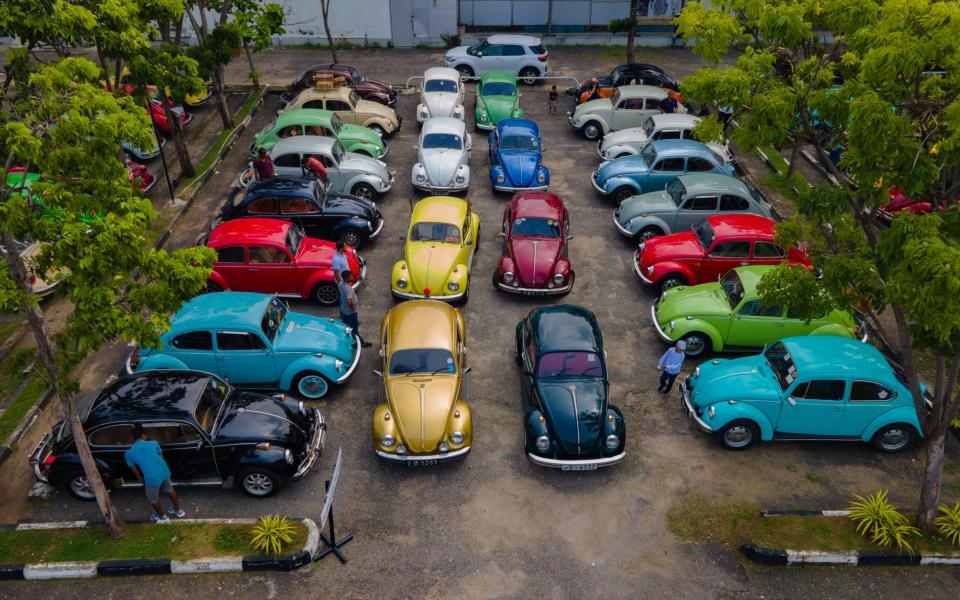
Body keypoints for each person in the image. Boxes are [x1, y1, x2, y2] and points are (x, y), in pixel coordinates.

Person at [124, 425, 185, 522]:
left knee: (152, 498)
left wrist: (142, 482)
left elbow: (135, 471)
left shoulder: (128, 453)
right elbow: (161, 458)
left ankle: (162, 517)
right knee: (170, 490)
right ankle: (179, 511)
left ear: (133, 438)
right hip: (164, 471)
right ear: (143, 435)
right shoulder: (154, 443)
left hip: (151, 477)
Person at [338, 270, 371, 348]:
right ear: (346, 278)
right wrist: (353, 309)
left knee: (346, 326)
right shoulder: (348, 289)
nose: (352, 277)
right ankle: (361, 343)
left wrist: (357, 278)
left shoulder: (340, 284)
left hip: (344, 311)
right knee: (354, 331)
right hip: (351, 313)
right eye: (351, 276)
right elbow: (349, 302)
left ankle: (347, 340)